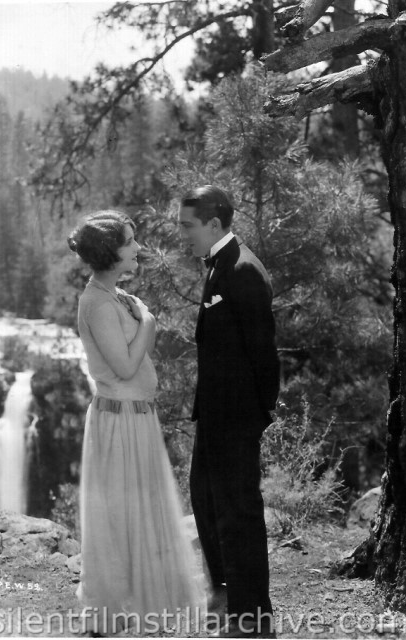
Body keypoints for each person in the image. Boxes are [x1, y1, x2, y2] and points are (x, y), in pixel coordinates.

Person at [68, 210, 205, 636]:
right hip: (119, 422)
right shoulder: (96, 301)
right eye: (129, 242)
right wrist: (148, 321)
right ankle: (114, 612)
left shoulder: (115, 297)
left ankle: (142, 605)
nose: (138, 248)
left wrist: (138, 312)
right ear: (110, 253)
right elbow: (125, 368)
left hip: (134, 419)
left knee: (139, 511)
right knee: (120, 516)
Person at [179, 186, 280, 639]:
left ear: (215, 225)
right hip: (214, 414)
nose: (183, 235)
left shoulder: (243, 270)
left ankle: (252, 610)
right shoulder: (220, 262)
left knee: (238, 509)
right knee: (203, 497)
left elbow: (265, 355)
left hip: (237, 418)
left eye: (188, 226)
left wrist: (257, 417)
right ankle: (222, 589)